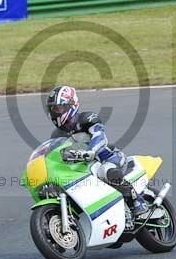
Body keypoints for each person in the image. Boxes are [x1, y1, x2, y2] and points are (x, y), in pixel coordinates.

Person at [45, 85, 149, 217]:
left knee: (105, 171)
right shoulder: (57, 134)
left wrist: (91, 151)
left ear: (71, 105)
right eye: (53, 109)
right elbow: (52, 157)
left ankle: (138, 201)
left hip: (108, 157)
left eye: (59, 107)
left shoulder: (86, 118)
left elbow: (99, 135)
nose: (56, 112)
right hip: (83, 167)